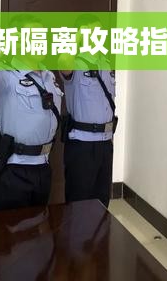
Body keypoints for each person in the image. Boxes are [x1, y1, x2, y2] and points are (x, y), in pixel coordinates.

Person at [0, 15, 63, 211]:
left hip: (43, 165)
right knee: (8, 228)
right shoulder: (6, 76)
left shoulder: (48, 75)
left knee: (39, 225)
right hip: (14, 168)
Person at [59, 14, 117, 208]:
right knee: (79, 200)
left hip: (105, 143)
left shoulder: (105, 63)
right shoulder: (74, 63)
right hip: (82, 145)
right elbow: (63, 60)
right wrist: (78, 35)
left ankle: (100, 229)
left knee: (102, 199)